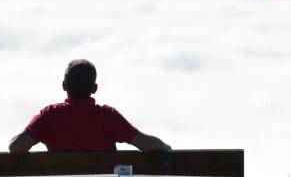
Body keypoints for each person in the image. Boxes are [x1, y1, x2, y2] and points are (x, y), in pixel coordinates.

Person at [9, 59, 171, 153]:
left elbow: (16, 147)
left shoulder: (49, 115)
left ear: (64, 86)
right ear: (94, 89)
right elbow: (146, 144)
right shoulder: (108, 117)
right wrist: (164, 147)